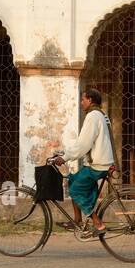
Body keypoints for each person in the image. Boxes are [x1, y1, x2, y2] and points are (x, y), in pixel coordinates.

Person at [52, 88, 114, 237]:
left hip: (98, 165)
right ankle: (78, 220)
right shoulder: (101, 115)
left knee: (75, 190)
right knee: (73, 180)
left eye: (83, 99)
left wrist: (65, 158)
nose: (81, 103)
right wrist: (66, 153)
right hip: (103, 162)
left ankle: (97, 223)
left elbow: (84, 144)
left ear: (90, 100)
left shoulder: (93, 116)